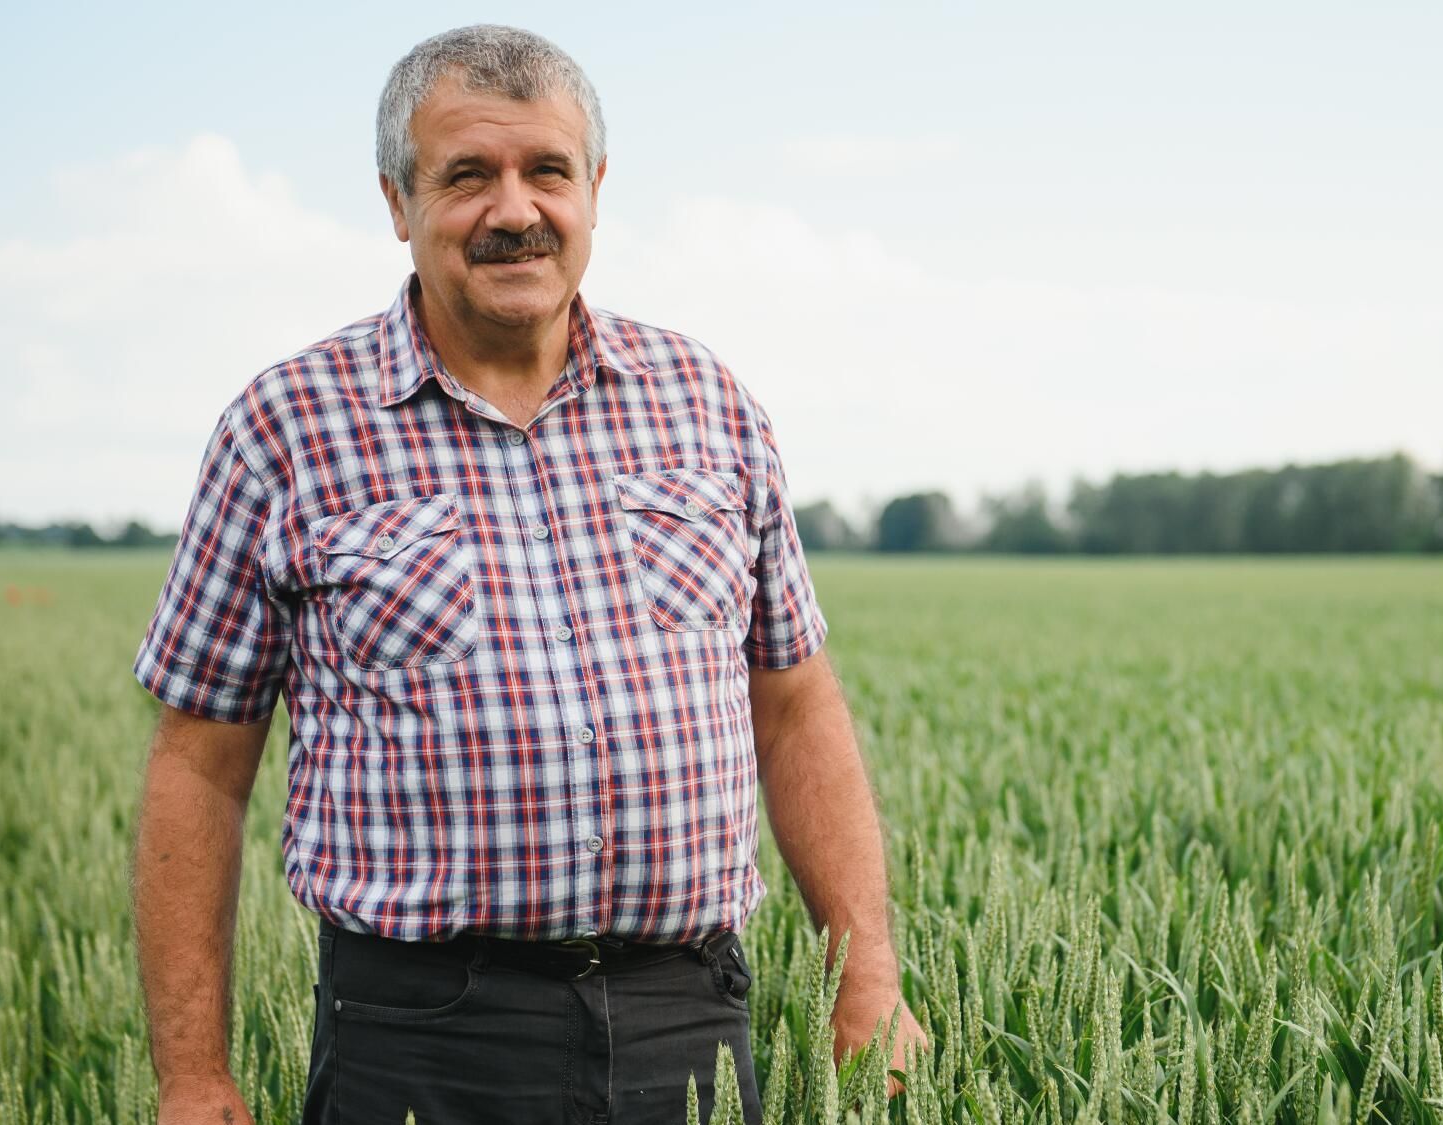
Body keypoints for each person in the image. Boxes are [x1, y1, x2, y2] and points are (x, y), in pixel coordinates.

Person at [129, 24, 925, 1125]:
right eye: (466, 177)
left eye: (546, 171)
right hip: (418, 1038)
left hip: (684, 1019)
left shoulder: (706, 403)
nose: (514, 210)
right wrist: (192, 1075)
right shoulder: (286, 430)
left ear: (593, 189)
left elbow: (792, 709)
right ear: (396, 204)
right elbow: (198, 768)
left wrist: (868, 976)